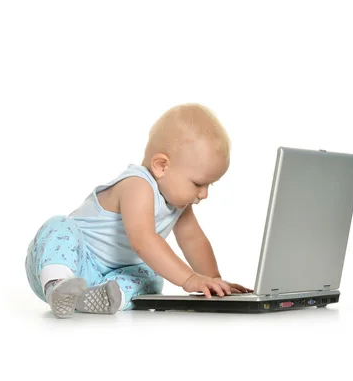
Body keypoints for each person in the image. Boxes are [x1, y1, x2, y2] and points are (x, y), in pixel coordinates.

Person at [25, 103, 253, 318]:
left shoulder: (178, 203)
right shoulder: (137, 185)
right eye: (198, 184)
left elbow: (193, 240)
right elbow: (143, 240)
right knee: (59, 225)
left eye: (209, 185)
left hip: (105, 278)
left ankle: (101, 299)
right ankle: (57, 287)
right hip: (72, 261)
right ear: (161, 166)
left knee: (153, 278)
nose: (204, 194)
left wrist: (213, 281)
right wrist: (190, 279)